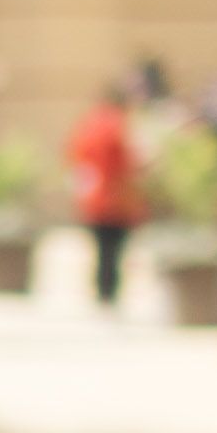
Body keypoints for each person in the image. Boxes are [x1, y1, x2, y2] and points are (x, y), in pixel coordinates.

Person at [67, 84, 142, 309]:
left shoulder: (88, 124)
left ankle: (102, 291)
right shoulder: (118, 124)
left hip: (94, 195)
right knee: (113, 249)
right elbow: (126, 161)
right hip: (115, 196)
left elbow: (75, 156)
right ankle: (108, 292)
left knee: (101, 248)